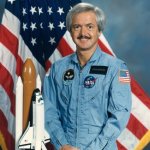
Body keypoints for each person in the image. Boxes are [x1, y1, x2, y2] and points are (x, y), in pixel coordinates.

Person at [43, 2, 132, 150]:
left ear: (99, 31)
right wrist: (62, 144)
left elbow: (119, 115)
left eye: (90, 26)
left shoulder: (116, 68)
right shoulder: (57, 69)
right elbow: (48, 110)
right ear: (70, 32)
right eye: (77, 27)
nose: (83, 33)